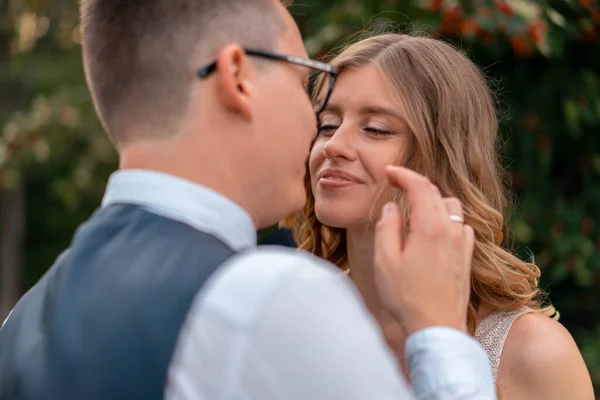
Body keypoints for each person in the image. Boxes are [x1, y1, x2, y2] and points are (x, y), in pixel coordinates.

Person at [0, 1, 496, 399]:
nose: (316, 132)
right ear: (238, 76)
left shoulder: (23, 321)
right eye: (305, 83)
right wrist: (441, 334)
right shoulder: (269, 296)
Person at [284, 33, 595, 399]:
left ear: (444, 155)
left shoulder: (530, 351)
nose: (334, 145)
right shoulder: (290, 315)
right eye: (327, 124)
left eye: (375, 129)